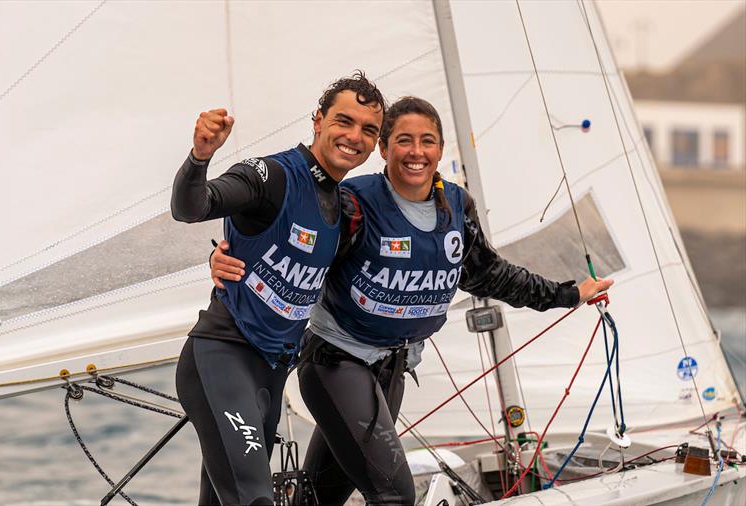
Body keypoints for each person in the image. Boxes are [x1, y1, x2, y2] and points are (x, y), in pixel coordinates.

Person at [211, 96, 612, 505]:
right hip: (336, 364)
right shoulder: (353, 205)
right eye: (403, 140)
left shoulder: (456, 206)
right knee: (394, 495)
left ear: (440, 149)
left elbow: (489, 273)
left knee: (318, 499)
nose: (416, 152)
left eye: (428, 141)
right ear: (384, 149)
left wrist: (566, 294)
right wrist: (223, 256)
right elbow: (293, 245)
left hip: (393, 370)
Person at [171, 71, 385, 505]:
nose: (354, 137)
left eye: (368, 129)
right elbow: (190, 207)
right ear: (318, 120)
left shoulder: (344, 207)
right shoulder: (272, 176)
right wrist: (199, 157)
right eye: (344, 121)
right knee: (254, 498)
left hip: (271, 372)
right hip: (222, 356)